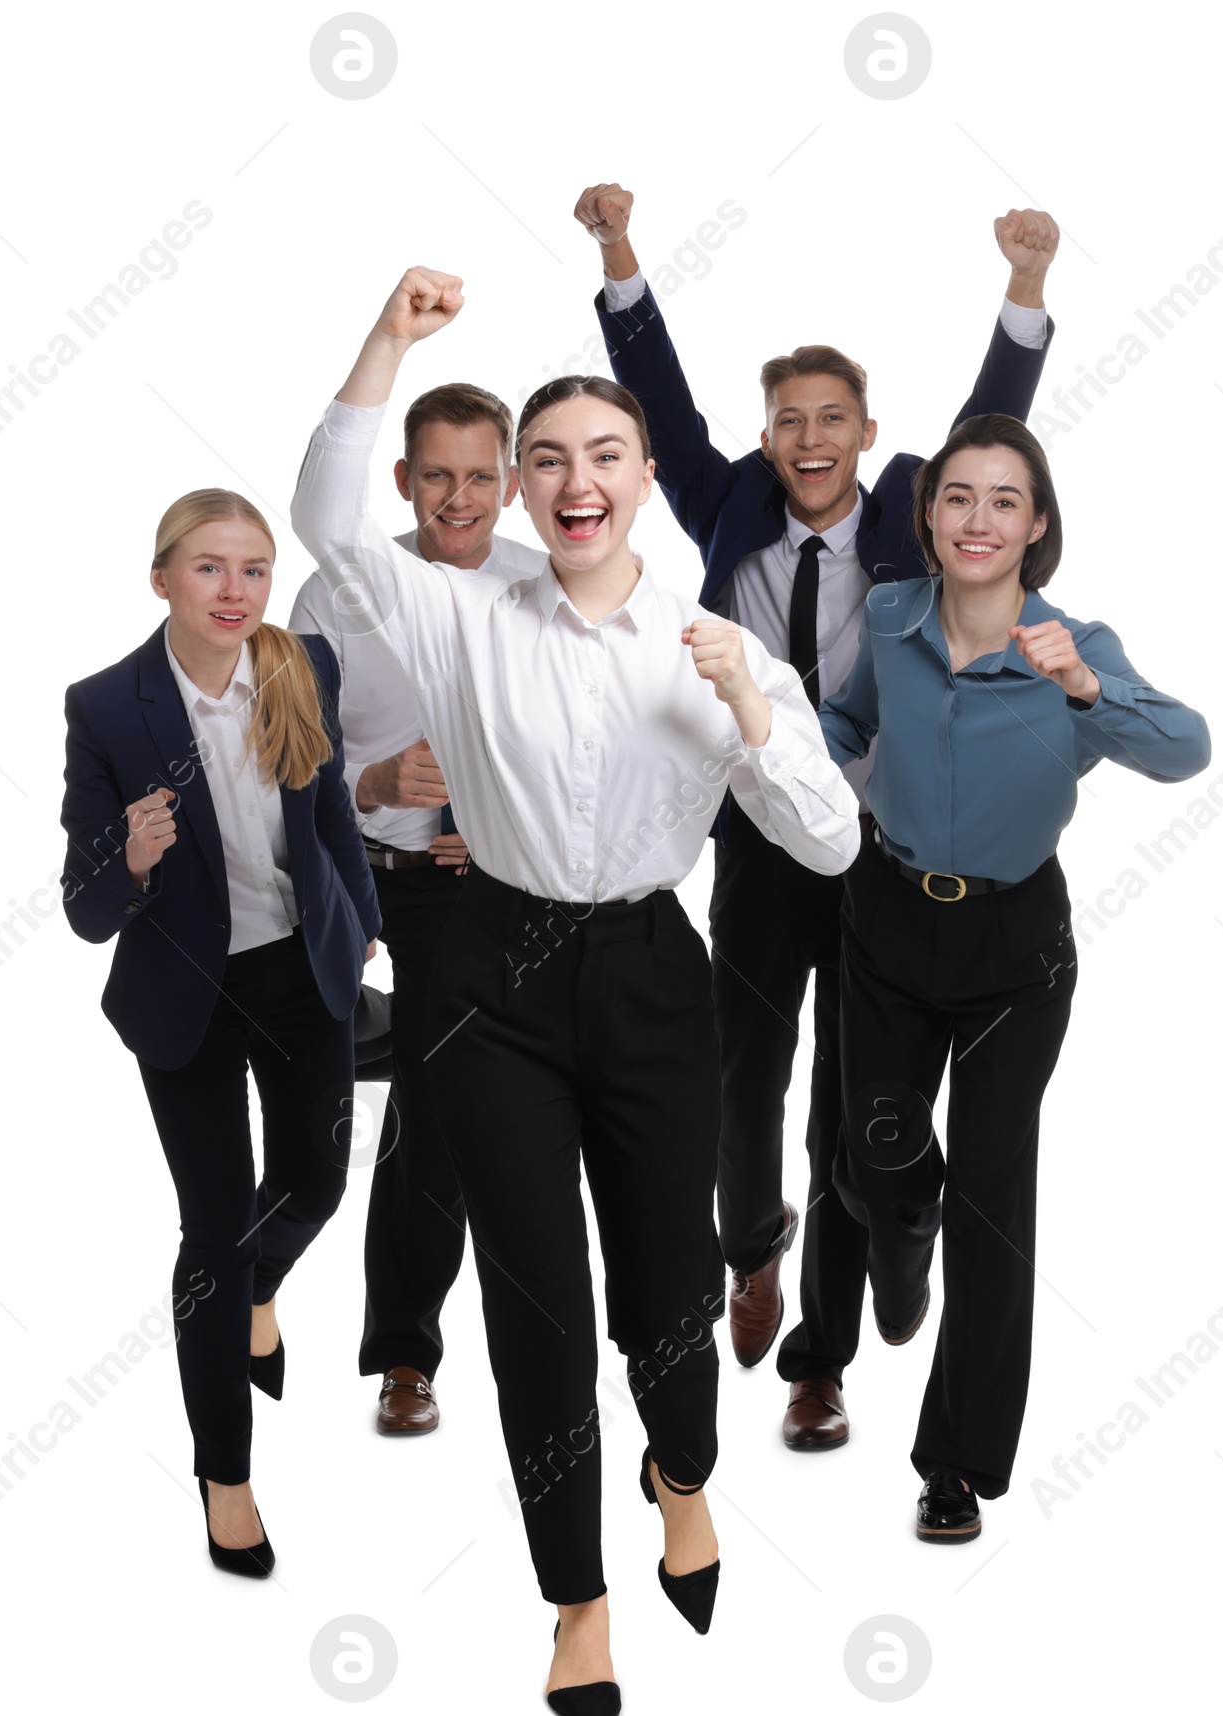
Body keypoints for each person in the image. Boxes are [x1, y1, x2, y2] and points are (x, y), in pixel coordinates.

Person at [290, 268, 860, 1712]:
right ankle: (576, 1601)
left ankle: (683, 1471)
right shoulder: (459, 614)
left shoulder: (711, 644)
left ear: (646, 475)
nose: (572, 479)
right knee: (536, 1298)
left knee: (665, 1290)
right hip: (490, 967)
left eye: (604, 453)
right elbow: (324, 517)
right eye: (547, 459)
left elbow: (833, 839)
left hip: (656, 975)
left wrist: (749, 707)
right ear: (526, 493)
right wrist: (388, 345)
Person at [575, 184, 1062, 1453]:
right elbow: (658, 407)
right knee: (744, 1070)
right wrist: (618, 250)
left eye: (830, 419)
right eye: (788, 420)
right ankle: (750, 1249)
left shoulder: (915, 510)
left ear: (865, 435)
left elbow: (991, 432)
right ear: (769, 436)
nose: (808, 438)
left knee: (854, 1106)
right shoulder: (728, 502)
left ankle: (822, 1358)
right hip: (760, 842)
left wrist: (1025, 286)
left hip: (889, 854)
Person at [819, 412, 1209, 1542]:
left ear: (1035, 526)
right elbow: (843, 719)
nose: (977, 519)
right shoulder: (890, 616)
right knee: (883, 1165)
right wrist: (757, 716)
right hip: (885, 921)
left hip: (1013, 954)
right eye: (957, 498)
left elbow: (1186, 751)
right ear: (928, 519)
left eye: (1003, 500)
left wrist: (1086, 687)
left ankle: (954, 1463)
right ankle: (900, 1253)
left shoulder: (1073, 644)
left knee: (991, 1203)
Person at [60, 489, 381, 1577]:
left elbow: (331, 814)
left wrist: (362, 928)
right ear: (162, 581)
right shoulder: (108, 707)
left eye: (253, 568)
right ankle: (225, 1475)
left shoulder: (302, 668)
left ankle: (258, 1290)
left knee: (318, 1184)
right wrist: (131, 858)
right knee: (214, 1230)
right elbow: (84, 907)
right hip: (184, 994)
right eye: (209, 569)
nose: (235, 589)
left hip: (301, 971)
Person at [289, 381, 545, 1436]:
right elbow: (282, 759)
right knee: (404, 1088)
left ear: (516, 483)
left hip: (486, 881)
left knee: (454, 1104)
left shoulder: (547, 585)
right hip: (360, 867)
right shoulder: (338, 589)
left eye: (482, 474)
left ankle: (431, 1353)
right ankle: (399, 1351)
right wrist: (371, 785)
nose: (459, 495)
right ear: (402, 480)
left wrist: (495, 822)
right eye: (436, 474)